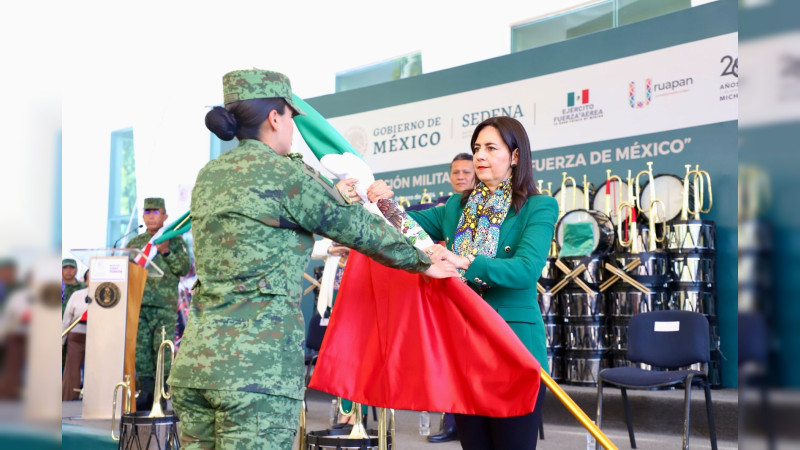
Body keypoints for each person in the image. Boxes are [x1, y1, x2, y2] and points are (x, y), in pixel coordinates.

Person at [167, 68, 458, 449]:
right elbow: (357, 227)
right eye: (291, 117)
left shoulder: (210, 174)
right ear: (275, 117)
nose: (293, 127)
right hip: (257, 374)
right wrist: (424, 261)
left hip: (195, 367)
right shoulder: (284, 173)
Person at [368, 116, 557, 450]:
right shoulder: (456, 205)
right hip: (464, 344)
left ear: (515, 156)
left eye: (490, 148)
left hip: (513, 346)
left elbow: (526, 269)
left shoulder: (539, 206)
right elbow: (403, 225)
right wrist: (381, 201)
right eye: (476, 149)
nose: (479, 156)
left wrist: (465, 262)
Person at [427, 151, 477, 443]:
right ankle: (453, 421)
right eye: (455, 172)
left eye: (466, 172)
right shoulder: (445, 210)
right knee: (453, 366)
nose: (461, 177)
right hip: (450, 299)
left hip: (485, 297)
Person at [126, 197, 191, 410]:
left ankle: (160, 395)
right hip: (139, 303)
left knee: (161, 349)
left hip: (163, 306)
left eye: (156, 212)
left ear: (165, 216)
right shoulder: (134, 243)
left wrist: (165, 251)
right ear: (143, 216)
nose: (151, 216)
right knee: (142, 350)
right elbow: (123, 269)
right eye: (148, 212)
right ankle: (145, 392)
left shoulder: (174, 240)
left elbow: (183, 269)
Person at [62, 269, 90, 400]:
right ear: (85, 281)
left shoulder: (106, 294)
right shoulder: (77, 295)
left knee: (93, 371)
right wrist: (62, 340)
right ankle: (70, 398)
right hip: (76, 335)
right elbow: (67, 318)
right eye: (89, 278)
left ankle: (92, 399)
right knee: (72, 370)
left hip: (97, 337)